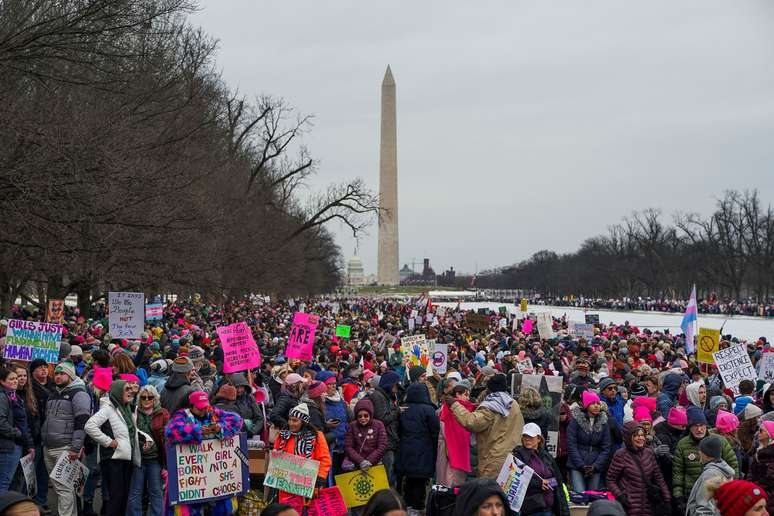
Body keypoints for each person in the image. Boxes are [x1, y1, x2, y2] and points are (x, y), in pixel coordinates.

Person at [165, 391, 243, 515]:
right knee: (190, 509)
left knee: (223, 507)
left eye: (205, 407)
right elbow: (172, 431)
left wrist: (219, 427)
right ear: (191, 406)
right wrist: (197, 431)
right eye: (200, 408)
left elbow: (236, 420)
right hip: (191, 474)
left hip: (214, 472)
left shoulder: (212, 412)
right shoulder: (182, 415)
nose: (203, 411)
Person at [447, 373, 524, 479]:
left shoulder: (491, 407)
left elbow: (471, 422)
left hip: (493, 460)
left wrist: (454, 405)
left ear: (490, 389)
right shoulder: (513, 403)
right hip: (512, 458)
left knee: (489, 493)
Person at [42, 360, 92, 516]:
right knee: (61, 489)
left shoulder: (79, 394)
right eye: (56, 373)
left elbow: (82, 422)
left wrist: (75, 448)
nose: (58, 376)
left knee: (64, 489)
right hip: (49, 447)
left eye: (62, 373)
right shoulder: (53, 393)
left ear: (70, 375)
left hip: (65, 448)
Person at [84, 380, 140, 515]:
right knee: (115, 497)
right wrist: (108, 442)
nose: (130, 391)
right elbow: (89, 426)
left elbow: (132, 430)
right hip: (112, 458)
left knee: (124, 496)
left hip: (126, 457)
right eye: (126, 389)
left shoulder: (127, 407)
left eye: (131, 389)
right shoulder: (108, 408)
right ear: (118, 391)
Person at [673, 406, 739, 515]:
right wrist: (678, 496)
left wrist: (732, 490)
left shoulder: (719, 441)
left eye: (702, 425)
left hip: (718, 495)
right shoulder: (682, 444)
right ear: (689, 427)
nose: (699, 429)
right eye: (695, 426)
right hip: (692, 495)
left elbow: (733, 466)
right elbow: (678, 473)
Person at [606, 420, 670, 516]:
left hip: (648, 505)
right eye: (636, 435)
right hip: (629, 506)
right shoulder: (621, 455)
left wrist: (667, 499)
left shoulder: (649, 453)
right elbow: (610, 480)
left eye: (642, 435)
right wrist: (620, 496)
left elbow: (658, 477)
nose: (640, 438)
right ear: (628, 437)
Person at [272, 403, 331, 505]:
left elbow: (325, 459)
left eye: (295, 420)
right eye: (290, 419)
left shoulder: (316, 436)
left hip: (308, 485)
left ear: (303, 422)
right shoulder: (283, 435)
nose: (291, 423)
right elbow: (276, 452)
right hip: (286, 485)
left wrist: (320, 480)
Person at [396, 382, 440, 514]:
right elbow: (435, 432)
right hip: (423, 450)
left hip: (405, 449)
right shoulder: (429, 410)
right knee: (419, 482)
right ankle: (417, 506)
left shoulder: (403, 408)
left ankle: (408, 506)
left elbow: (398, 429)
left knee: (409, 479)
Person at [127, 384, 170, 516]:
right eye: (143, 397)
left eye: (150, 397)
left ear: (155, 399)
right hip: (138, 458)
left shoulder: (163, 413)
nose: (146, 400)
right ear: (139, 399)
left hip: (155, 460)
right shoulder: (133, 412)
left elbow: (168, 437)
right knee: (135, 492)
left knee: (156, 492)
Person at [512, 422, 570, 516]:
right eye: (525, 436)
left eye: (530, 436)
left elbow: (557, 481)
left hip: (549, 508)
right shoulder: (517, 456)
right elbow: (516, 479)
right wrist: (539, 484)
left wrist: (548, 483)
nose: (527, 439)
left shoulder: (547, 456)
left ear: (539, 439)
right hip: (530, 509)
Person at [567, 390, 611, 491]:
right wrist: (581, 465)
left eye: (598, 404)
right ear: (586, 406)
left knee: (593, 496)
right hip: (577, 465)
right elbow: (571, 445)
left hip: (595, 466)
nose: (596, 406)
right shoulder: (575, 422)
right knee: (580, 495)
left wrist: (595, 466)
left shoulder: (604, 423)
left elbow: (606, 447)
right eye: (593, 404)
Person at [0, 367, 33, 491]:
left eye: (16, 378)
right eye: (11, 379)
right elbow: (1, 422)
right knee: (4, 483)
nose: (16, 381)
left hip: (13, 445)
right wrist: (17, 433)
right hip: (7, 447)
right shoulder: (2, 396)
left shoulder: (12, 396)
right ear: (2, 382)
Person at [685, 435, 735, 516]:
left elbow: (705, 507)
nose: (699, 452)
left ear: (706, 453)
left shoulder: (711, 474)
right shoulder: (721, 469)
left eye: (700, 450)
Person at [437, 380, 475, 486]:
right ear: (457, 394)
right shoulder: (448, 407)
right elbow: (445, 429)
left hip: (460, 447)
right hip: (449, 447)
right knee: (449, 477)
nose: (468, 398)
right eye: (466, 395)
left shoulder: (467, 408)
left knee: (456, 476)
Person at [369, 371, 401, 485]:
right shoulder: (378, 396)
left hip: (389, 440)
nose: (397, 388)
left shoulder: (386, 396)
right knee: (386, 475)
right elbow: (382, 419)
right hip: (385, 441)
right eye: (396, 385)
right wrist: (397, 411)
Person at [343, 398, 388, 472]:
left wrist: (369, 461)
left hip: (375, 464)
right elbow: (348, 446)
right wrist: (361, 461)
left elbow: (382, 445)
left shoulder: (379, 424)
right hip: (356, 464)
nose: (363, 418)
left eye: (366, 415)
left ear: (370, 415)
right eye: (359, 416)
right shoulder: (352, 425)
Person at [747, 420, 774, 513]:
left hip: (768, 497)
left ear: (769, 434)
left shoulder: (771, 453)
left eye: (761, 431)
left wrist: (755, 487)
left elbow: (770, 478)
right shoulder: (759, 450)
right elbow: (751, 471)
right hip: (757, 492)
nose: (758, 433)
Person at [229, 373, 265, 438]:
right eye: (237, 387)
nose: (239, 390)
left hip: (250, 434)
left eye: (241, 387)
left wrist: (252, 431)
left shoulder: (250, 398)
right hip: (234, 435)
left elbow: (259, 418)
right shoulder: (228, 400)